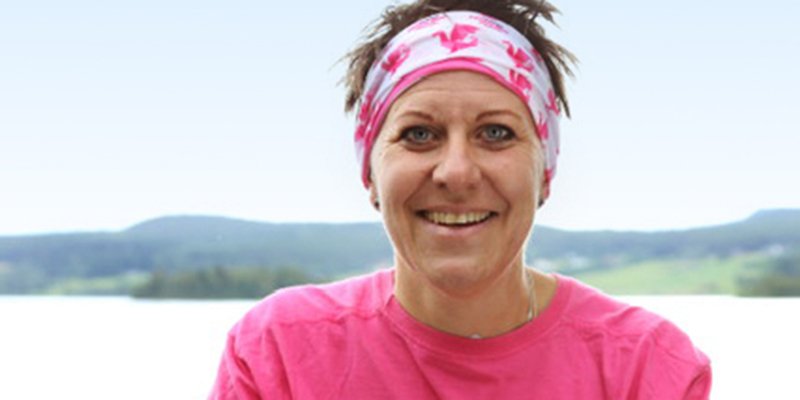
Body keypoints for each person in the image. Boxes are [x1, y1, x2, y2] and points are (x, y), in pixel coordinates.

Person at [209, 0, 712, 398]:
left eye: (495, 133)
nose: (456, 172)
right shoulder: (279, 352)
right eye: (419, 134)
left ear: (545, 171)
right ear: (370, 173)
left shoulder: (645, 367)